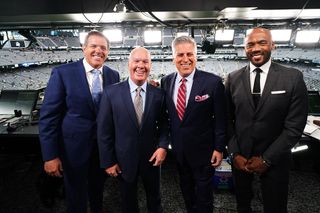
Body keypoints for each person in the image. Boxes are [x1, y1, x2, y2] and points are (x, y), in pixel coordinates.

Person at [225, 27, 308, 213]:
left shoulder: (293, 78)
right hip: (241, 159)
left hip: (276, 158)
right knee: (242, 205)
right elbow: (227, 121)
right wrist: (234, 154)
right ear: (244, 48)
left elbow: (294, 127)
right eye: (250, 44)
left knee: (275, 206)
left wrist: (267, 159)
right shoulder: (232, 78)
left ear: (273, 45)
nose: (256, 48)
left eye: (262, 43)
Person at [39, 30, 120, 213]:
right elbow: (48, 117)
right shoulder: (62, 73)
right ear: (84, 48)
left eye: (103, 48)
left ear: (108, 52)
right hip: (72, 149)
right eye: (93, 46)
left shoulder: (113, 75)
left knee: (98, 190)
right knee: (75, 194)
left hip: (102, 149)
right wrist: (50, 156)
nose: (98, 51)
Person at [97, 47, 169, 213]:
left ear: (151, 65)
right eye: (136, 61)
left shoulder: (159, 94)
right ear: (128, 64)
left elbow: (165, 124)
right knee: (127, 201)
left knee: (155, 199)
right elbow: (104, 131)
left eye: (145, 61)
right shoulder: (111, 93)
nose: (141, 65)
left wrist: (163, 146)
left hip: (152, 159)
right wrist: (108, 161)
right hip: (123, 160)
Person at [161, 36, 226, 213]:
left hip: (205, 153)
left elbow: (221, 119)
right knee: (187, 193)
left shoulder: (212, 82)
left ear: (196, 55)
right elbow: (168, 118)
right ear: (173, 57)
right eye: (180, 54)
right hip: (180, 152)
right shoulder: (166, 82)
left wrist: (219, 148)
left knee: (204, 197)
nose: (185, 59)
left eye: (190, 54)